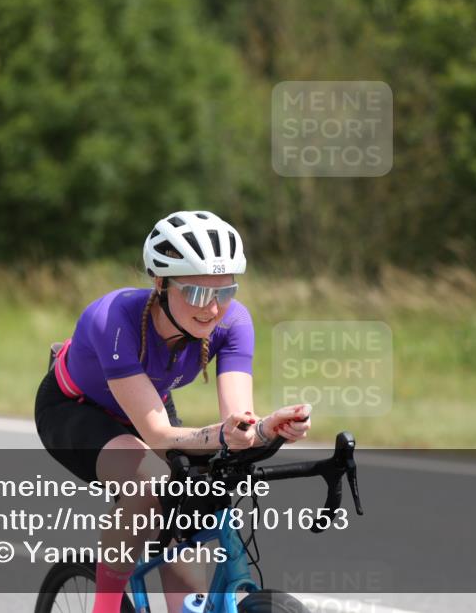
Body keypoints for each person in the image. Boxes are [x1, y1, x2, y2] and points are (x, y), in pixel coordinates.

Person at [34, 210, 312, 613]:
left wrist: (267, 427)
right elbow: (159, 434)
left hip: (147, 404)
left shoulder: (234, 322)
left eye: (225, 291)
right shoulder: (114, 318)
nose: (213, 308)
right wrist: (220, 435)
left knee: (192, 510)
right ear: (161, 283)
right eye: (197, 293)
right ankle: (105, 607)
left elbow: (239, 424)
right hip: (76, 409)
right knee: (150, 485)